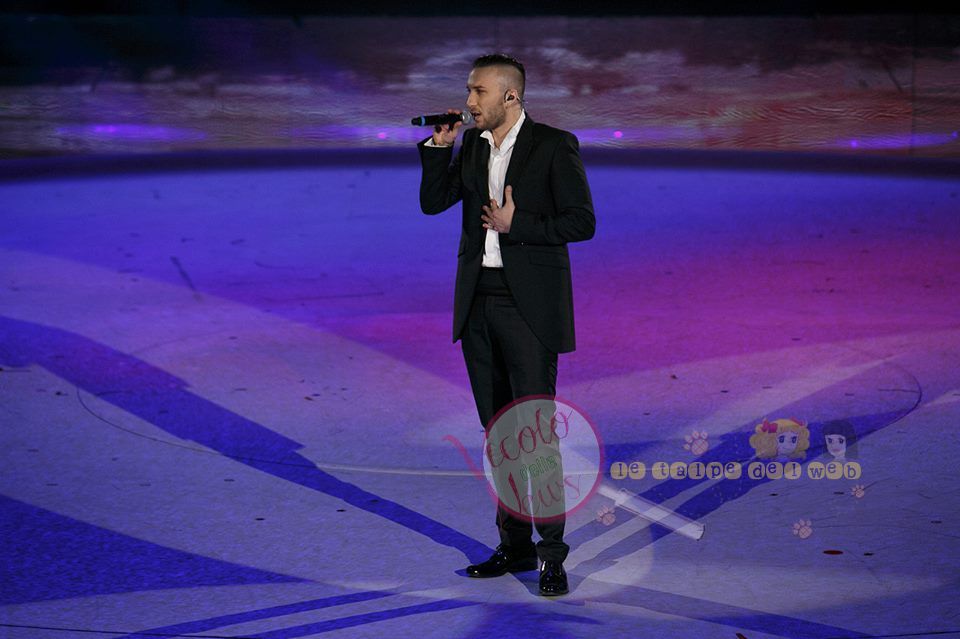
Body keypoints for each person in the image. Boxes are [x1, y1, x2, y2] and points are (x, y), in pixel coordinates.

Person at [417, 53, 595, 596]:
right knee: (499, 434)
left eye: (479, 92)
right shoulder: (472, 144)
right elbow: (433, 203)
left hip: (528, 310)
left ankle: (552, 555)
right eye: (469, 91)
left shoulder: (554, 145)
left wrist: (520, 224)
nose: (469, 101)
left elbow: (581, 221)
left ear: (510, 96)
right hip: (478, 305)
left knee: (535, 436)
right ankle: (513, 545)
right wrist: (439, 150)